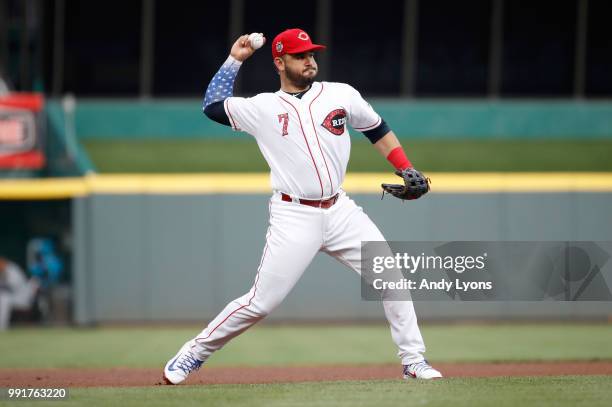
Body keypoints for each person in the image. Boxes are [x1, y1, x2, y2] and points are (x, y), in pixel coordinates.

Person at [163, 28, 441, 384]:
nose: (309, 60)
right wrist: (235, 59)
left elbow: (376, 128)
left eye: (311, 53)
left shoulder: (341, 94)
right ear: (279, 63)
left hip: (341, 210)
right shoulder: (262, 107)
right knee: (261, 302)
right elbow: (212, 105)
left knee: (392, 278)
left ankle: (413, 362)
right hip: (294, 214)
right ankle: (194, 353)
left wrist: (405, 167)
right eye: (299, 55)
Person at [0, 257, 39, 330]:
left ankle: (2, 326)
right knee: (3, 298)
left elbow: (13, 286)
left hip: (22, 298)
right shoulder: (3, 271)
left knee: (3, 299)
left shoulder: (13, 270)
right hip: (13, 297)